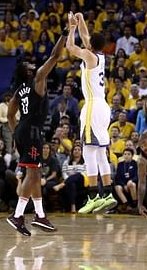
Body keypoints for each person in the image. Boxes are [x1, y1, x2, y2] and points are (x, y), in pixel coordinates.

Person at [6, 27, 67, 236]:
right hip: (31, 132)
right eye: (29, 64)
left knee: (34, 173)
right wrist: (65, 33)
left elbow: (9, 116)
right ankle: (18, 215)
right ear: (28, 71)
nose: (33, 64)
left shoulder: (18, 91)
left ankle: (40, 216)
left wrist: (16, 135)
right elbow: (56, 55)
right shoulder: (38, 78)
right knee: (32, 176)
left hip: (24, 130)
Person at [65, 12, 117, 214]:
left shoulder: (88, 55)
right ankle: (108, 194)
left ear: (90, 46)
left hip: (93, 106)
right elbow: (86, 37)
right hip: (103, 106)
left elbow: (70, 47)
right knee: (100, 152)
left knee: (88, 151)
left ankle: (94, 196)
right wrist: (80, 19)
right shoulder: (100, 54)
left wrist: (71, 27)